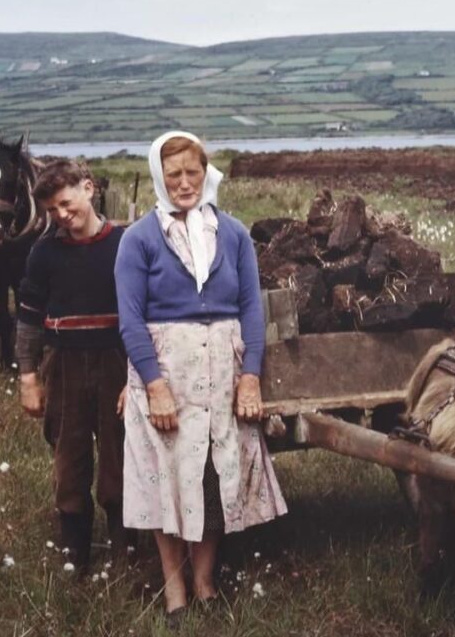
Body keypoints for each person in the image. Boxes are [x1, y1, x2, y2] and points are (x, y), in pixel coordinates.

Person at [115, 131, 287, 622]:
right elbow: (129, 318)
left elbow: (252, 308)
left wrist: (250, 376)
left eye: (193, 172)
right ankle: (174, 592)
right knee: (167, 476)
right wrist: (154, 384)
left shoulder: (231, 232)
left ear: (205, 172)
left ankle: (207, 584)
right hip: (169, 371)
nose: (185, 183)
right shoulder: (139, 238)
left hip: (223, 369)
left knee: (213, 476)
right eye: (174, 175)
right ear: (159, 178)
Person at [16, 159, 133, 572]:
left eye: (66, 203)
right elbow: (29, 319)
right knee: (69, 460)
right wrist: (29, 376)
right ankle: (75, 556)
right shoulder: (44, 252)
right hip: (63, 365)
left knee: (122, 457)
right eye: (52, 211)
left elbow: (144, 319)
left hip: (116, 364)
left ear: (88, 188)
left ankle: (125, 551)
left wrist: (136, 376)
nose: (62, 216)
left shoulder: (124, 245)